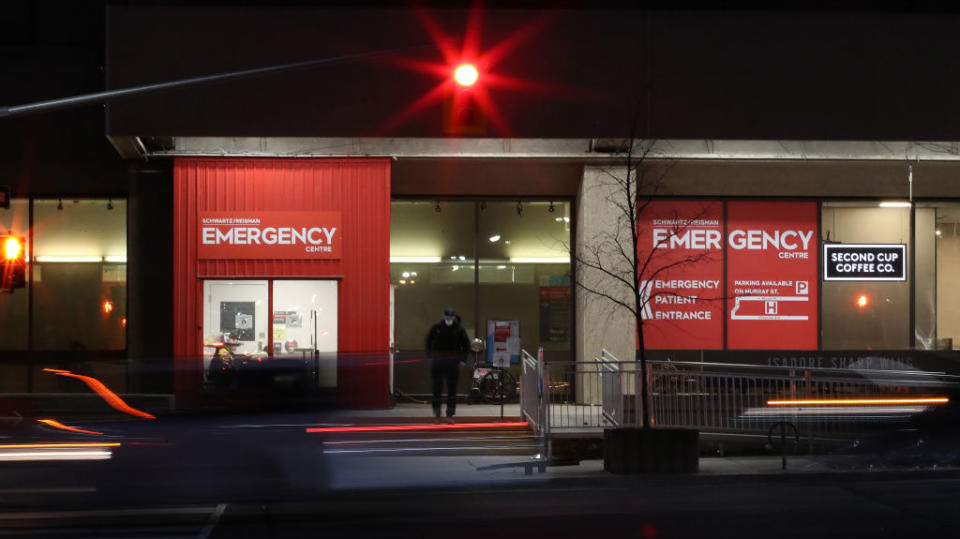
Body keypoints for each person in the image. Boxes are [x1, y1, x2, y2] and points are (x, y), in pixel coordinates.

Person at [425, 307, 470, 423]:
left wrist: (462, 360)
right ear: (444, 316)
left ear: (453, 317)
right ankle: (437, 414)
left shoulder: (459, 329)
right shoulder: (436, 328)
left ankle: (450, 414)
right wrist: (430, 356)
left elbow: (466, 345)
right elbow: (428, 341)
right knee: (437, 389)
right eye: (447, 316)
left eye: (451, 316)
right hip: (438, 361)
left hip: (452, 362)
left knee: (452, 389)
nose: (449, 318)